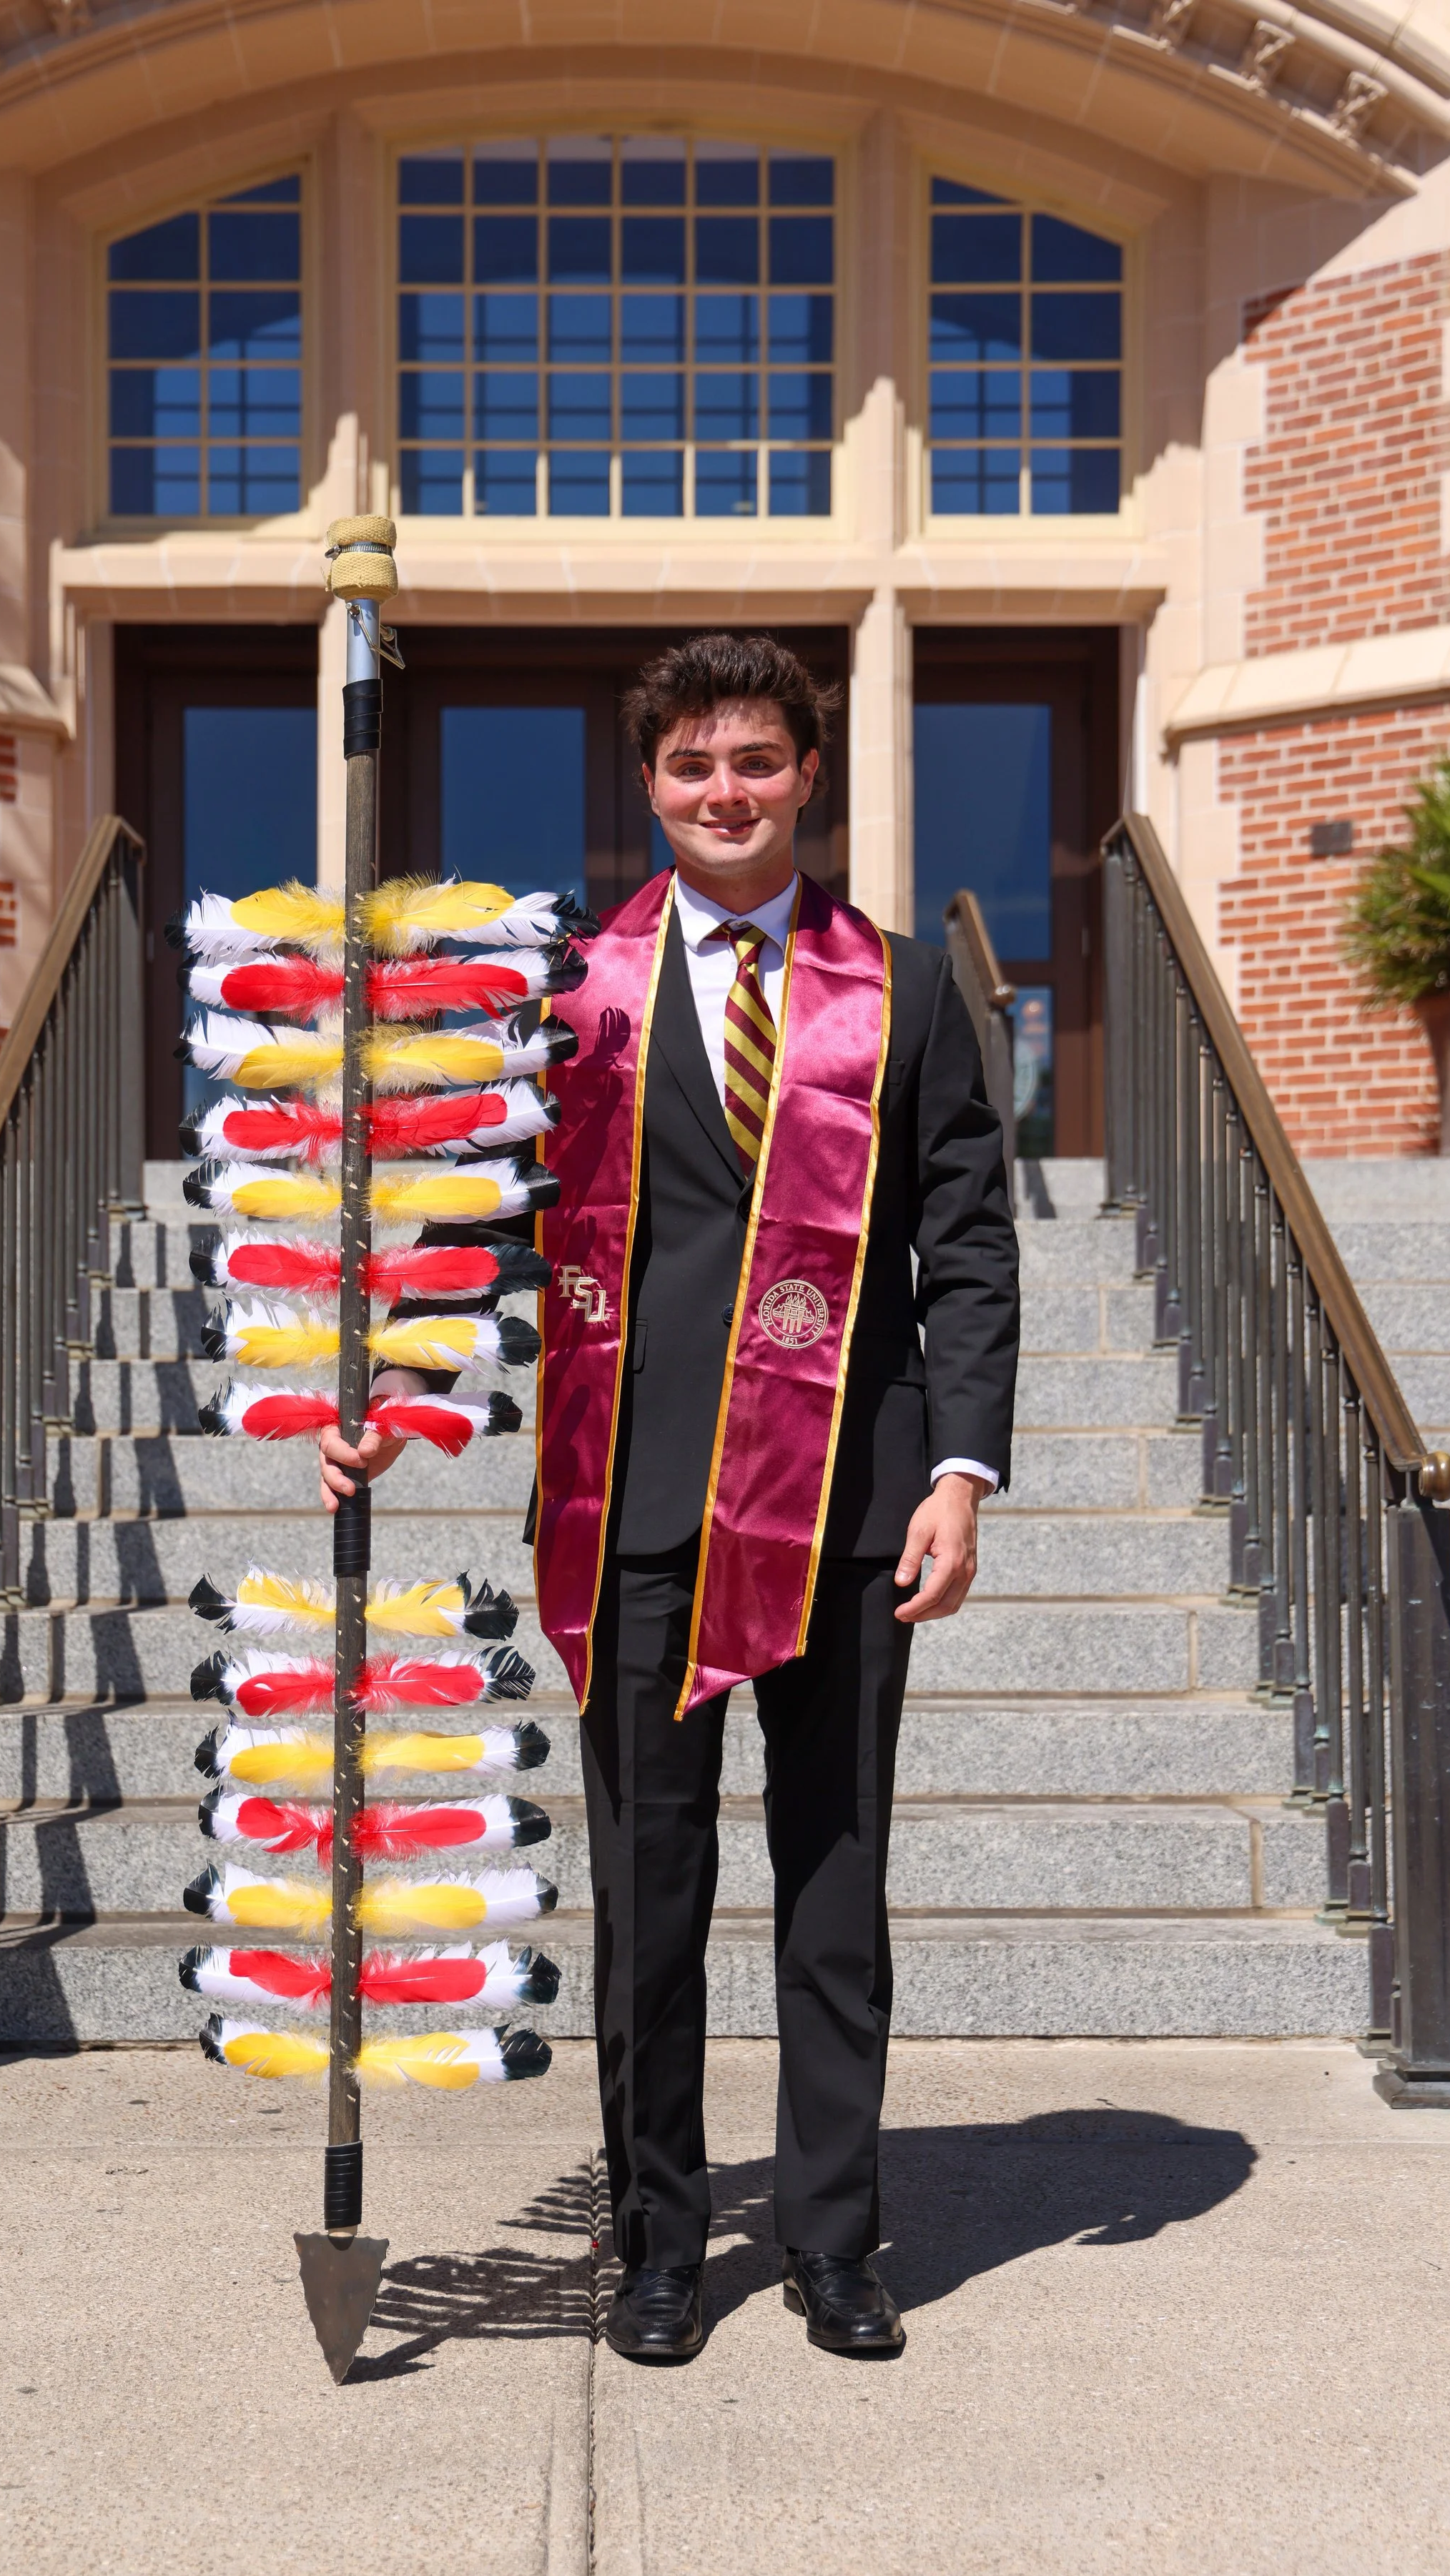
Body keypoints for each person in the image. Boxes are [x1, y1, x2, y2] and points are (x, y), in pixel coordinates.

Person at [321, 633, 1019, 2363]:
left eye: (759, 762)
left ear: (805, 778)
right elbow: (487, 1216)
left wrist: (957, 1469)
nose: (727, 791)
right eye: (695, 764)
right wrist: (393, 1393)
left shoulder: (907, 989)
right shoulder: (569, 985)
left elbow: (971, 1246)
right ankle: (649, 2239)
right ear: (648, 784)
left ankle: (836, 2240)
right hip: (630, 1499)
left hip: (848, 1504)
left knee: (833, 1881)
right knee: (647, 1890)